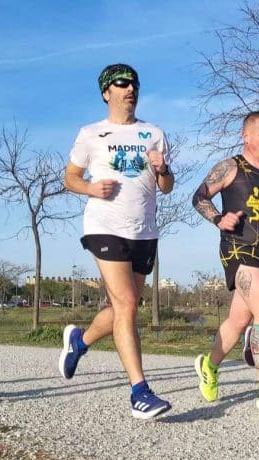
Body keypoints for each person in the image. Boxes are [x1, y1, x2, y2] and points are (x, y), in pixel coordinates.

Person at [59, 63, 175, 419]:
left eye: (134, 83)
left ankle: (80, 341)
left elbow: (166, 188)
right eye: (122, 83)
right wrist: (91, 188)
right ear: (106, 92)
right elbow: (70, 178)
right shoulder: (91, 133)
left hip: (144, 230)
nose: (130, 89)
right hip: (104, 225)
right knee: (125, 303)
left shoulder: (154, 133)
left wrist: (163, 169)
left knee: (127, 306)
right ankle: (139, 391)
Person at [191, 111, 259, 410]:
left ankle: (209, 366)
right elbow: (199, 197)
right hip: (238, 250)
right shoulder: (230, 167)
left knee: (239, 320)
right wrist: (219, 218)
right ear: (246, 136)